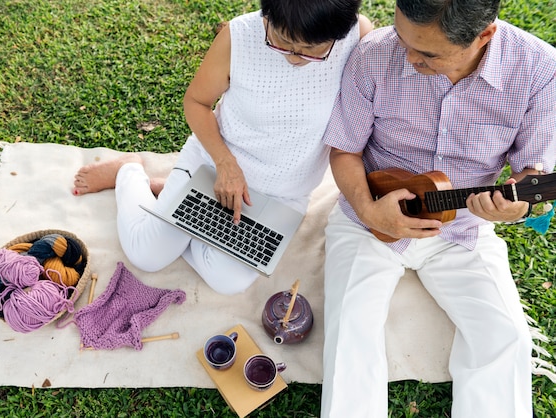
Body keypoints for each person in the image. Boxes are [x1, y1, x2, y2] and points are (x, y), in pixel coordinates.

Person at [320, 0, 556, 416]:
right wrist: (370, 211)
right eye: (403, 39)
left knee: (506, 338)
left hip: (463, 228)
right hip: (369, 214)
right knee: (349, 335)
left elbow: (531, 180)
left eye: (427, 53)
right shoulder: (376, 51)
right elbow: (344, 150)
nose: (407, 58)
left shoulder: (540, 70)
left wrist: (512, 209)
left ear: (484, 36)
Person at [72, 0, 372, 294]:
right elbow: (196, 102)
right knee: (147, 254)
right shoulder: (238, 36)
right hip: (215, 165)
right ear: (267, 15)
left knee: (228, 281)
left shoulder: (357, 37)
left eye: (310, 50)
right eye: (282, 42)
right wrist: (225, 164)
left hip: (282, 193)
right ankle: (129, 172)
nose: (294, 57)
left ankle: (175, 199)